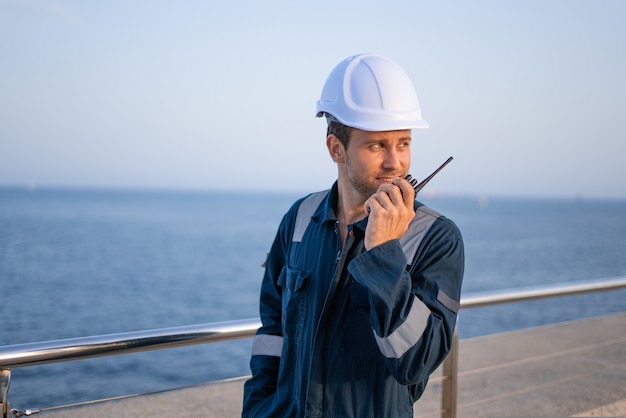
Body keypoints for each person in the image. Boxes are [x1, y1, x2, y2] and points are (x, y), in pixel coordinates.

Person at [242, 53, 464, 418]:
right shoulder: (299, 220)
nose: (395, 162)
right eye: (377, 145)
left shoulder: (435, 238)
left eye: (403, 143)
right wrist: (259, 408)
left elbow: (415, 363)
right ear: (336, 148)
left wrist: (384, 252)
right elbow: (273, 329)